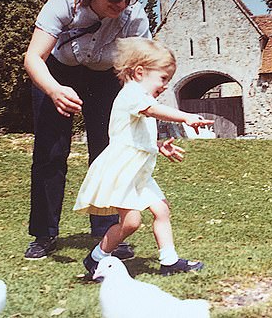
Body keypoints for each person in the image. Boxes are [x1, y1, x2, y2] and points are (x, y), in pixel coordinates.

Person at [23, 0, 150, 260]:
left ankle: (109, 233)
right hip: (58, 71)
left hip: (105, 76)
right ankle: (44, 235)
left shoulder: (133, 14)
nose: (121, 3)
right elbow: (33, 58)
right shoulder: (65, 0)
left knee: (110, 151)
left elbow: (141, 68)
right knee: (50, 152)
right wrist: (54, 90)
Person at [73, 37, 214, 277]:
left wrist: (158, 146)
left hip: (139, 171)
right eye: (163, 78)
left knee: (161, 210)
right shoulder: (132, 95)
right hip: (123, 171)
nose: (166, 85)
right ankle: (97, 258)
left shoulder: (140, 97)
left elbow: (134, 136)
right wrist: (185, 117)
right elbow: (151, 110)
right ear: (139, 72)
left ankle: (169, 261)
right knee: (131, 223)